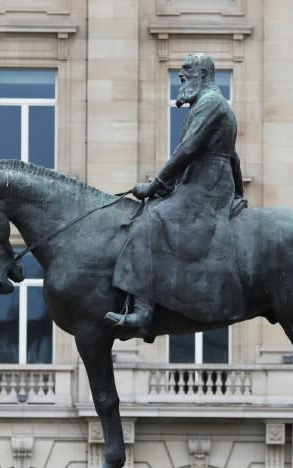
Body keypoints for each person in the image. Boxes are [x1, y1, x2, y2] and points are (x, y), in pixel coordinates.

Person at [105, 53, 245, 336]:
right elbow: (234, 157)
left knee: (150, 223)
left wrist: (155, 184)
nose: (181, 78)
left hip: (207, 185)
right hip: (204, 181)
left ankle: (143, 312)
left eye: (186, 72)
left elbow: (188, 150)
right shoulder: (209, 104)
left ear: (203, 75)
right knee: (150, 213)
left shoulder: (210, 103)